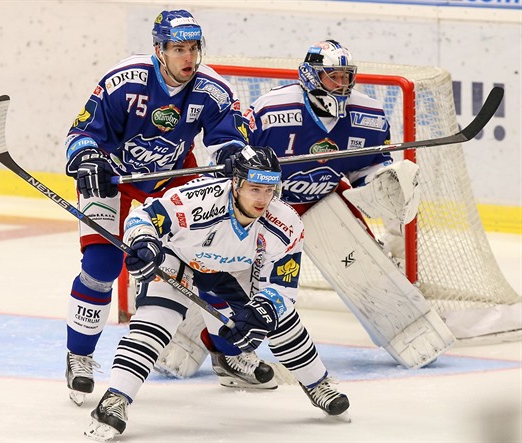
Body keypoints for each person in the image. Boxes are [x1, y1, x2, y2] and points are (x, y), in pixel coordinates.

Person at [158, 40, 446, 375]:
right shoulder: (272, 110)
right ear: (310, 76)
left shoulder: (369, 115)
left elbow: (366, 168)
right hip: (263, 207)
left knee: (363, 266)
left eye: (345, 76)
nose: (340, 84)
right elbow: (235, 159)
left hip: (321, 201)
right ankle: (180, 342)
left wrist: (384, 181)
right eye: (331, 76)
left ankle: (411, 333)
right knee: (219, 267)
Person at [84, 145, 350, 441]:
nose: (263, 199)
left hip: (231, 271)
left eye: (269, 189)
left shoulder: (286, 224)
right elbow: (143, 216)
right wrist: (145, 242)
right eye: (255, 188)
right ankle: (115, 398)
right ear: (236, 183)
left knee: (280, 318)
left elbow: (282, 289)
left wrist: (261, 311)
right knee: (156, 321)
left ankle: (318, 384)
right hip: (178, 259)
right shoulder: (197, 200)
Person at [62, 9, 254, 406]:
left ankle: (227, 353)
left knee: (209, 260)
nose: (189, 58)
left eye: (193, 49)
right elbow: (81, 134)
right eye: (178, 49)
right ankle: (79, 357)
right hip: (113, 180)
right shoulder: (124, 80)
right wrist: (87, 160)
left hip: (170, 182)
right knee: (101, 268)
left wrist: (237, 156)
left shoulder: (211, 89)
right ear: (158, 50)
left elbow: (229, 142)